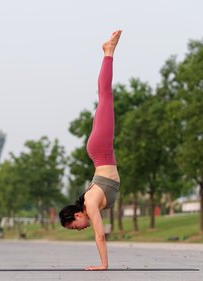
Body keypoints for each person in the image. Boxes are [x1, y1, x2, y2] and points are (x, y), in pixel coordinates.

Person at [59, 30, 122, 271]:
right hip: (100, 150)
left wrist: (103, 265)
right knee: (104, 98)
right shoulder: (90, 202)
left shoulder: (91, 203)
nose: (80, 228)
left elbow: (100, 235)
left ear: (77, 215)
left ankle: (108, 52)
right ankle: (107, 52)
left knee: (106, 97)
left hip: (101, 148)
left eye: (76, 226)